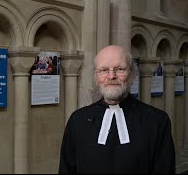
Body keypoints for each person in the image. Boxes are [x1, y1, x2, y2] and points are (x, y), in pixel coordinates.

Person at [59, 45, 175, 174]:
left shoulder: (157, 121)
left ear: (132, 74)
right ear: (96, 77)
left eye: (120, 69)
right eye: (103, 70)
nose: (111, 76)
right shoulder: (78, 120)